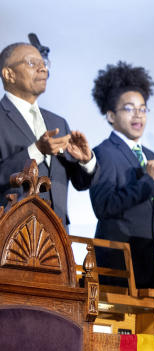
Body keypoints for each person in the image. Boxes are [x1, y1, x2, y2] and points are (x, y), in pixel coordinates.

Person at [89, 62, 154, 290]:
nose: (138, 115)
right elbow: (103, 207)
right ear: (111, 115)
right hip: (115, 263)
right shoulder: (104, 152)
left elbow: (149, 215)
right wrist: (146, 182)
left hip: (148, 260)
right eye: (129, 108)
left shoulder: (149, 155)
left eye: (143, 109)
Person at [0, 42, 96, 226]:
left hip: (57, 235)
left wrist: (86, 161)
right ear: (8, 74)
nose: (43, 68)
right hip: (11, 234)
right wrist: (36, 151)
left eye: (43, 63)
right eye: (31, 63)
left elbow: (81, 183)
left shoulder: (58, 122)